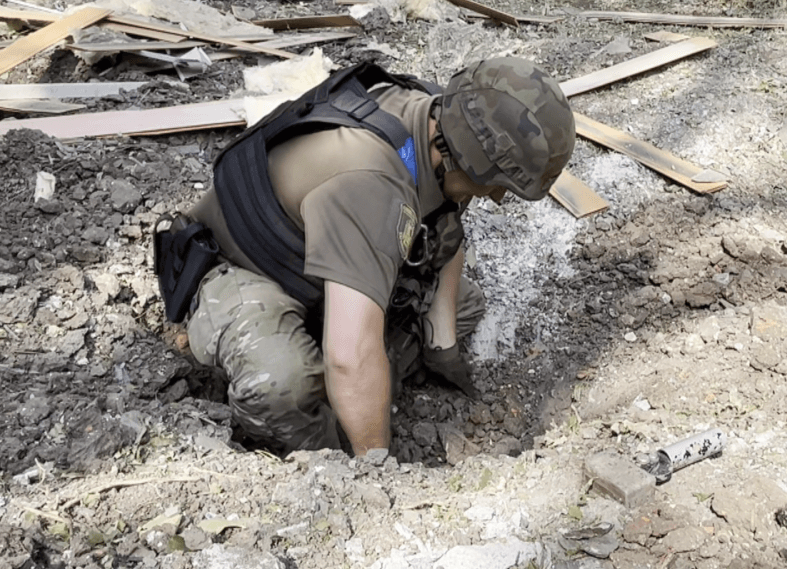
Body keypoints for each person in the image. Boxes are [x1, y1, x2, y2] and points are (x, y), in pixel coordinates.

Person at [165, 56, 575, 457]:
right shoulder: (373, 187)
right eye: (495, 185)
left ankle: (357, 386)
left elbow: (447, 221)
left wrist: (443, 350)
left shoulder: (440, 115)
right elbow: (349, 358)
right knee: (280, 385)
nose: (499, 197)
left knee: (465, 304)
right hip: (245, 270)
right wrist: (375, 472)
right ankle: (334, 451)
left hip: (327, 251)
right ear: (462, 159)